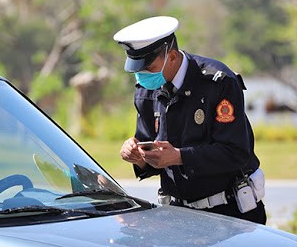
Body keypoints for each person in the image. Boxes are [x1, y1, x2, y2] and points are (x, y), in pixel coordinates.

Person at [113, 16, 266, 224]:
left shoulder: (218, 82)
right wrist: (137, 156)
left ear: (173, 56)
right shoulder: (146, 90)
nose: (142, 76)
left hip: (229, 215)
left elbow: (236, 152)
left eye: (148, 68)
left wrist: (179, 157)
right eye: (137, 70)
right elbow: (152, 152)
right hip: (177, 217)